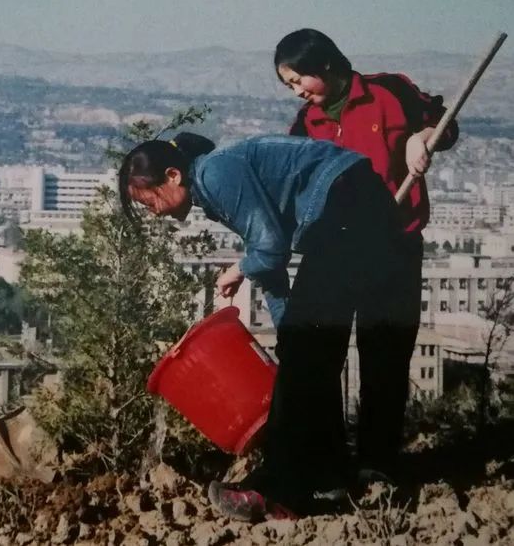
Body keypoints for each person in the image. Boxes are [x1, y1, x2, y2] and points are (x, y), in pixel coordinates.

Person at [119, 131, 406, 519]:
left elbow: (269, 249)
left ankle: (279, 491)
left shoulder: (216, 174)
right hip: (356, 211)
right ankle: (329, 477)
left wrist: (236, 271)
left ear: (173, 175)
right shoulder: (213, 184)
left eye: (150, 199)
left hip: (349, 209)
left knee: (307, 358)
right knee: (305, 354)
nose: (154, 212)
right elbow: (269, 264)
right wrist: (288, 331)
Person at [274, 28, 459, 483]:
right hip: (334, 251)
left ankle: (378, 463)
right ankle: (327, 463)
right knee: (320, 354)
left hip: (394, 245)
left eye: (301, 80)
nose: (298, 92)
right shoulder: (304, 126)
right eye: (290, 85)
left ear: (328, 66)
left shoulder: (389, 91)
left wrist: (424, 136)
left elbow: (446, 124)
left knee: (385, 355)